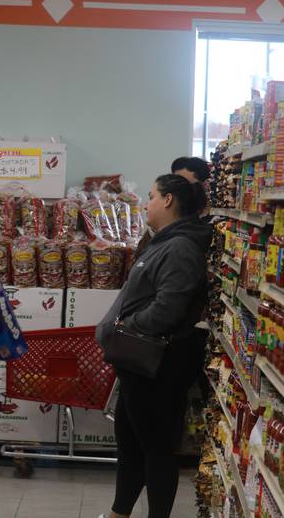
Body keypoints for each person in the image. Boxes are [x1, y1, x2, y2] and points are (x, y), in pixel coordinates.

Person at [99, 174, 212, 518]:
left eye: (151, 196)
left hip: (157, 364)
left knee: (156, 450)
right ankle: (120, 513)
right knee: (131, 445)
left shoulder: (179, 247)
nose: (146, 203)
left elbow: (168, 307)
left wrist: (127, 327)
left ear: (168, 201)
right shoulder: (163, 241)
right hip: (138, 363)